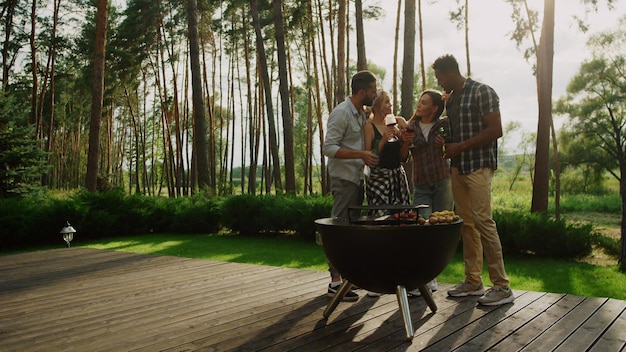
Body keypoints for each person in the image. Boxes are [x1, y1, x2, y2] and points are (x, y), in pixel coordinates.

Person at [432, 54, 515, 306]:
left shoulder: (482, 92)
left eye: (439, 79)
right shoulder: (452, 99)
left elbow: (495, 130)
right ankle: (473, 282)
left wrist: (461, 146)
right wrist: (444, 140)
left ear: (448, 74)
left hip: (478, 166)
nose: (439, 84)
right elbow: (453, 131)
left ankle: (501, 286)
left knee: (483, 222)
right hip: (458, 168)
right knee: (466, 224)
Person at [322, 70, 380, 302]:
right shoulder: (342, 113)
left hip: (356, 180)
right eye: (373, 91)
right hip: (344, 180)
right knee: (338, 230)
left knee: (350, 233)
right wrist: (361, 154)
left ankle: (347, 279)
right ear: (362, 91)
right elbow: (329, 148)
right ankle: (335, 283)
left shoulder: (358, 114)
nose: (375, 96)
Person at [362, 89, 412, 298]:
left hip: (397, 177)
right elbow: (369, 158)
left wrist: (406, 141)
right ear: (376, 106)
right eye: (385, 103)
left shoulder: (398, 121)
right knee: (380, 225)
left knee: (401, 223)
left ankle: (399, 276)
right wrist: (382, 142)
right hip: (379, 179)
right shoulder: (369, 126)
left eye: (390, 102)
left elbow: (404, 157)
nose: (390, 106)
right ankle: (376, 278)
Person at [405, 89, 454, 297]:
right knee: (423, 230)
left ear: (434, 108)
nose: (419, 105)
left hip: (443, 181)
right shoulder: (411, 127)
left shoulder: (444, 125)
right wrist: (405, 142)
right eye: (419, 101)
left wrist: (445, 145)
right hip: (421, 185)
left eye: (424, 102)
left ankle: (433, 276)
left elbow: (452, 148)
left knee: (441, 230)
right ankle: (425, 279)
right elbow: (402, 156)